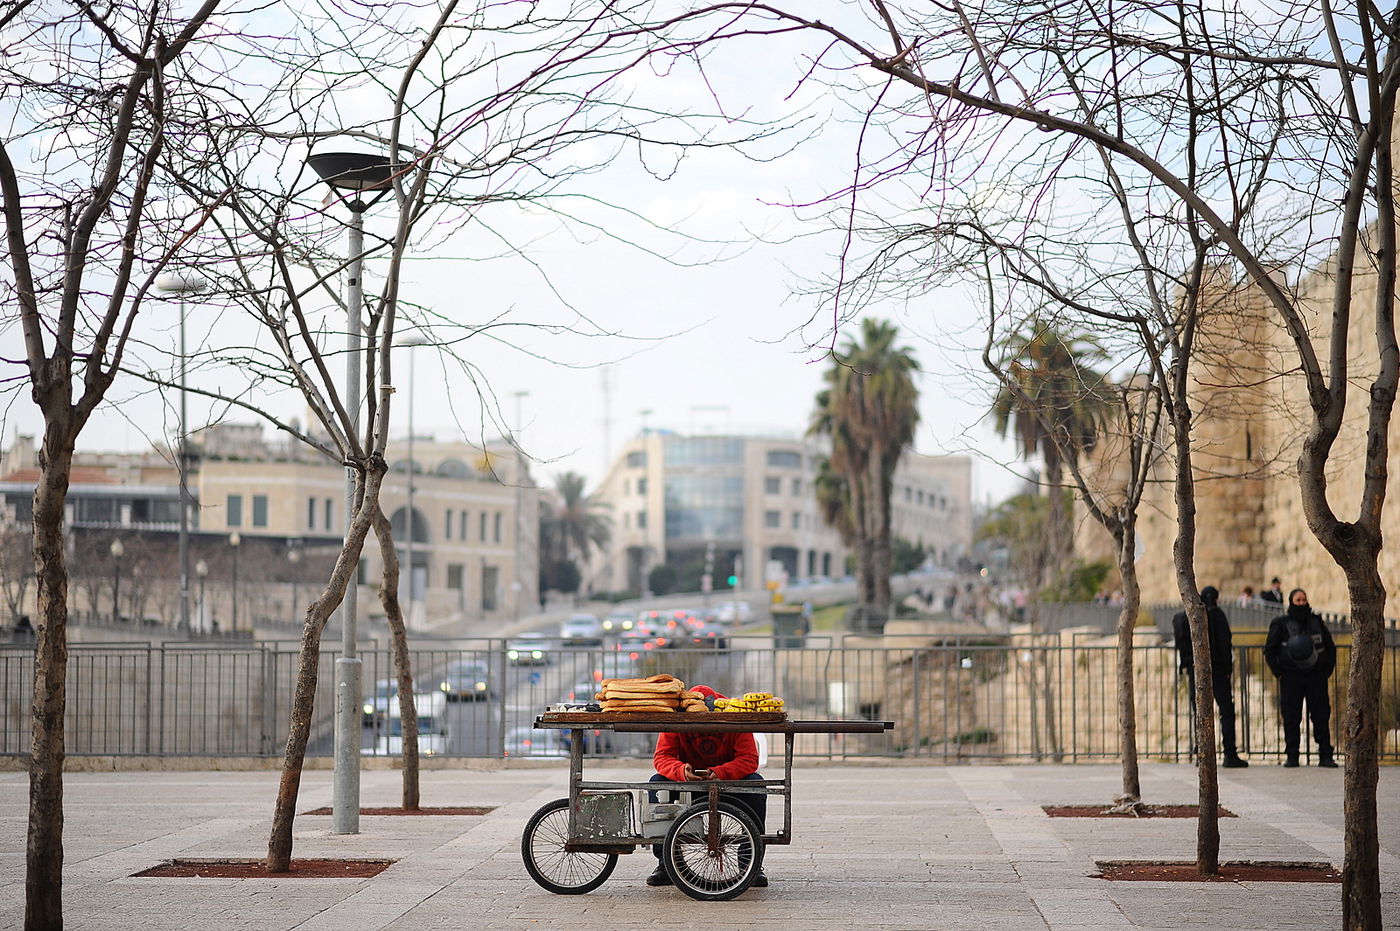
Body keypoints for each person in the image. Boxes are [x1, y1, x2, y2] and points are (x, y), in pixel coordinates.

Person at [647, 685, 768, 888]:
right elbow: (662, 757)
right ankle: (665, 862)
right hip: (687, 783)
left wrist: (722, 772)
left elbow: (749, 759)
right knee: (657, 784)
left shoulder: (734, 715)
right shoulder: (676, 716)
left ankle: (750, 863)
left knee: (757, 787)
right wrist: (680, 771)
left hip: (730, 783)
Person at [1172, 587, 1248, 768]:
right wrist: (1228, 669)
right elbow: (1224, 642)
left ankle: (1201, 752)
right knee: (1226, 711)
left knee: (1199, 712)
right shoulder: (1217, 616)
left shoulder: (1187, 616)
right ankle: (1229, 753)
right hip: (1219, 671)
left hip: (1195, 672)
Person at [1263, 588, 1337, 768]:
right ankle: (1292, 755)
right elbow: (1270, 651)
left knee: (1320, 715)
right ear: (1291, 602)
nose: (1302, 603)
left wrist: (1325, 671)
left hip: (1315, 677)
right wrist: (1279, 673)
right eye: (1298, 600)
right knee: (1291, 717)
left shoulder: (1316, 621)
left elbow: (1329, 647)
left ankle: (1325, 755)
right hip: (1291, 678)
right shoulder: (1280, 624)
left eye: (1304, 599)